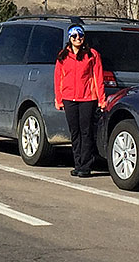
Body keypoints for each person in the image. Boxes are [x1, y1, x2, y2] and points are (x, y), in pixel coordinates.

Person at [54, 25, 106, 177]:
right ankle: (77, 164)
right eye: (74, 36)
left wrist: (101, 100)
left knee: (86, 131)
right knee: (74, 132)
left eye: (80, 35)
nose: (78, 38)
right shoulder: (63, 56)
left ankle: (86, 165)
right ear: (69, 38)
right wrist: (59, 99)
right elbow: (58, 78)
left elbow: (98, 78)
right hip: (69, 98)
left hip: (88, 98)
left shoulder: (92, 55)